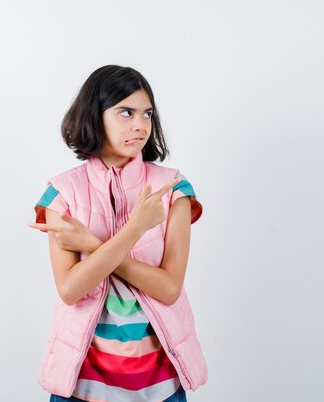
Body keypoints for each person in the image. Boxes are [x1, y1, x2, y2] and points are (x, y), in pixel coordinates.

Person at [28, 65, 207, 402]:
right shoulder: (62, 192)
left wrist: (92, 246)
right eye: (126, 112)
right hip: (81, 387)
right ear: (95, 116)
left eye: (146, 114)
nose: (140, 125)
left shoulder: (173, 189)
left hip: (160, 387)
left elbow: (169, 289)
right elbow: (70, 289)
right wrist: (136, 227)